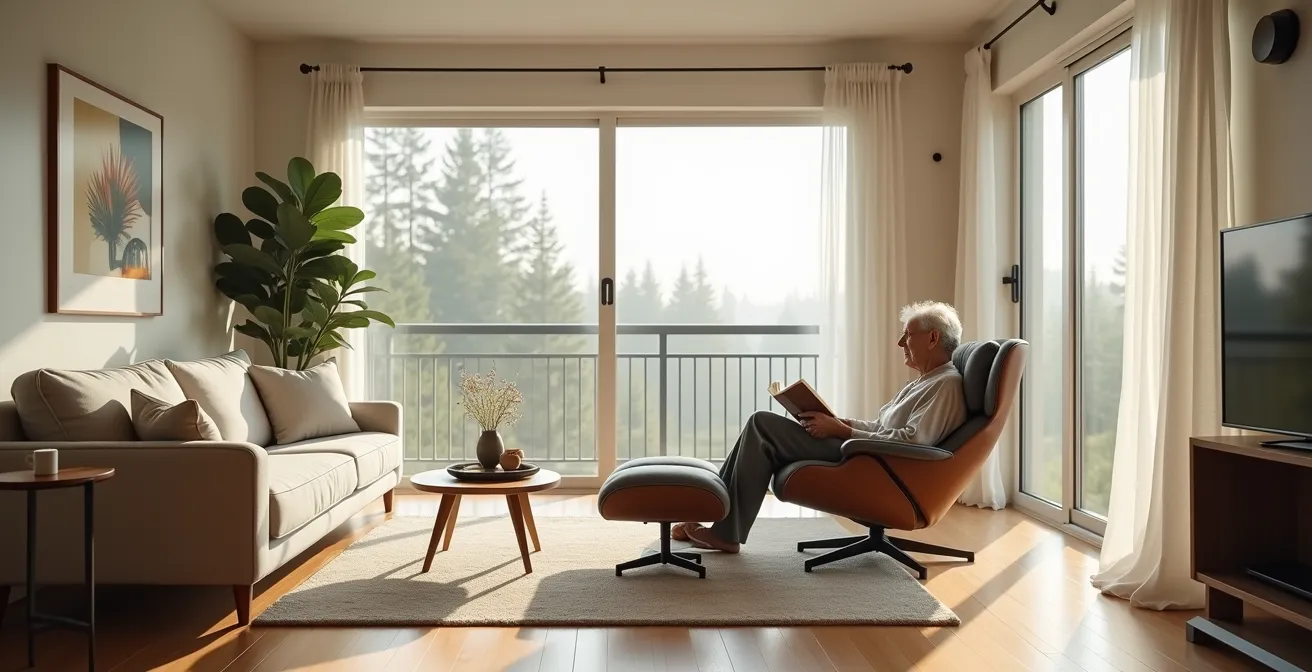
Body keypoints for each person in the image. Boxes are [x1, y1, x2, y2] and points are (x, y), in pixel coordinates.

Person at [674, 300, 969, 553]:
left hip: (875, 465)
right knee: (761, 430)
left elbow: (914, 443)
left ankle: (721, 529)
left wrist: (843, 432)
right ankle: (714, 520)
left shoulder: (946, 384)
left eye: (907, 335)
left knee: (761, 424)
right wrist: (841, 422)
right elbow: (882, 427)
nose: (900, 343)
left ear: (932, 338)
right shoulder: (923, 382)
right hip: (866, 453)